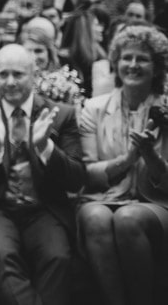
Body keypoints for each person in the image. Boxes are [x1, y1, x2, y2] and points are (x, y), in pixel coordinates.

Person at [0, 44, 85, 305]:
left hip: (44, 209)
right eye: (2, 74)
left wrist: (46, 147)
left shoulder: (60, 115)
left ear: (34, 74)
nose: (9, 82)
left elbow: (76, 178)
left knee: (58, 256)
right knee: (0, 252)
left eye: (18, 74)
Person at [77, 25, 168, 305]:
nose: (132, 65)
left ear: (157, 67)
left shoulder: (165, 110)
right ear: (115, 63)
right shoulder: (93, 108)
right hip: (104, 196)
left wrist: (150, 156)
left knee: (129, 218)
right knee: (94, 216)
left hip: (157, 203)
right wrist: (128, 159)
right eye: (126, 58)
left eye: (142, 59)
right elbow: (87, 173)